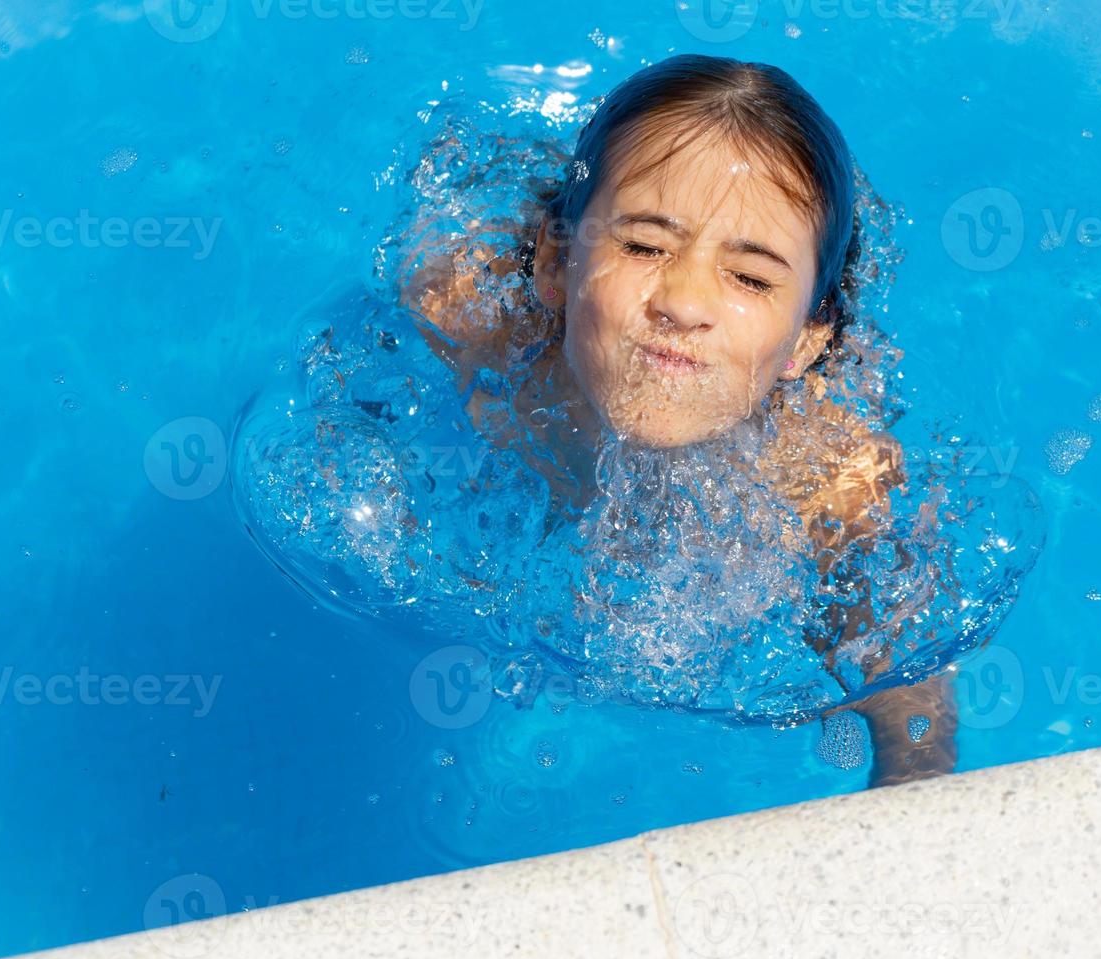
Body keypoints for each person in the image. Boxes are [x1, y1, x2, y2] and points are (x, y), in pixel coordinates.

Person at [399, 54, 955, 787]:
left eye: (751, 278)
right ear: (555, 266)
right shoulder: (472, 324)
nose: (684, 303)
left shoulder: (827, 478)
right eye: (644, 245)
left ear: (807, 341)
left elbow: (906, 690)